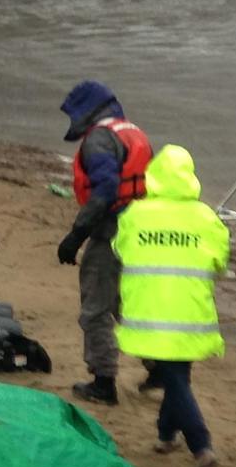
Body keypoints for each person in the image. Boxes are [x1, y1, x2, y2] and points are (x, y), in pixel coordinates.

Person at [113, 143, 227, 467]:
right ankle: (166, 434)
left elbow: (119, 249)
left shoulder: (135, 214)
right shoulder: (206, 218)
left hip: (150, 312)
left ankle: (201, 444)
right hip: (190, 312)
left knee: (172, 376)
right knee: (178, 374)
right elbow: (220, 261)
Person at [55, 80, 158, 405]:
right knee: (129, 304)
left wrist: (76, 235)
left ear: (87, 111)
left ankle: (103, 382)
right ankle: (160, 372)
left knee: (96, 307)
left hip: (110, 232)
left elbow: (105, 189)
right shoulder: (134, 132)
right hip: (140, 231)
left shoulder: (99, 139)